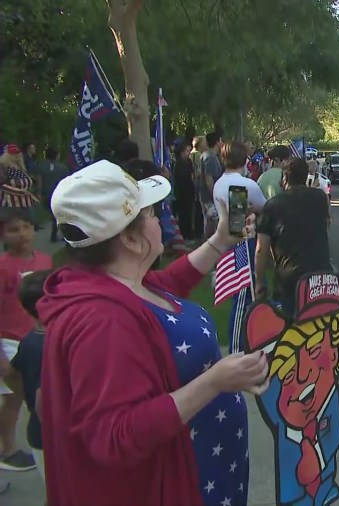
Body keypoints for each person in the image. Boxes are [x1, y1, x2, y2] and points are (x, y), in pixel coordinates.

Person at [38, 159, 268, 506]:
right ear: (130, 239)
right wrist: (215, 381)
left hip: (204, 472)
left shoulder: (121, 286)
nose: (160, 220)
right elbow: (115, 436)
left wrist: (222, 239)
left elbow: (169, 284)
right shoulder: (101, 321)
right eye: (149, 214)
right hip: (173, 485)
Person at [0, 210, 51, 472]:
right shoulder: (3, 267)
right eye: (13, 229)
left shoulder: (44, 261)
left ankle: (43, 442)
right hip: (9, 340)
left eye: (26, 227)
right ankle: (8, 448)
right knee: (13, 396)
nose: (21, 234)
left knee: (35, 392)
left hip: (38, 338)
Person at [255, 157, 331, 314]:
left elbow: (261, 249)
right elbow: (327, 225)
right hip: (321, 275)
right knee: (319, 327)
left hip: (290, 279)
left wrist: (259, 281)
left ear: (285, 178)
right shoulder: (320, 198)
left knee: (292, 329)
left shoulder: (273, 206)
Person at [212, 141, 267, 353]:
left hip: (225, 240)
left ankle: (250, 341)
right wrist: (252, 208)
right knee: (243, 295)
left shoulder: (218, 184)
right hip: (243, 241)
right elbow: (264, 205)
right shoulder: (247, 185)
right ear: (244, 160)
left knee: (244, 295)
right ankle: (237, 348)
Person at [10, 269, 51, 485]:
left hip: (38, 434)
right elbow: (43, 401)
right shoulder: (48, 344)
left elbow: (12, 372)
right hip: (50, 439)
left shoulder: (29, 341)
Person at [35, 148, 70, 242]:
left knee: (53, 214)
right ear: (57, 156)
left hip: (47, 194)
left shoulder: (42, 166)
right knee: (59, 215)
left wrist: (39, 193)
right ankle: (58, 234)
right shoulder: (63, 167)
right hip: (59, 194)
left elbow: (39, 181)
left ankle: (54, 234)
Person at [199, 132, 225, 239]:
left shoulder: (206, 155)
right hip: (209, 197)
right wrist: (215, 196)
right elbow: (209, 179)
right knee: (211, 223)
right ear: (217, 142)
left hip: (205, 195)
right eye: (221, 140)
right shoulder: (211, 157)